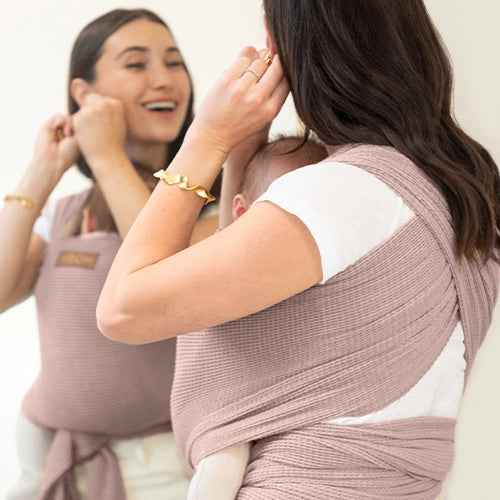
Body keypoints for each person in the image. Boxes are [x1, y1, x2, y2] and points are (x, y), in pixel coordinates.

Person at [97, 1, 500, 498]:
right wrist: (242, 152)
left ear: (284, 46)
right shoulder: (456, 190)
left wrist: (207, 138)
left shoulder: (340, 192)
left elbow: (122, 309)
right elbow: (260, 305)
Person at [0, 8, 215, 499]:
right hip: (51, 466)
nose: (164, 80)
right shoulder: (64, 213)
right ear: (85, 95)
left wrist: (105, 154)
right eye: (137, 64)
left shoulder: (217, 206)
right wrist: (42, 169)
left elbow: (162, 279)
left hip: (165, 473)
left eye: (175, 62)